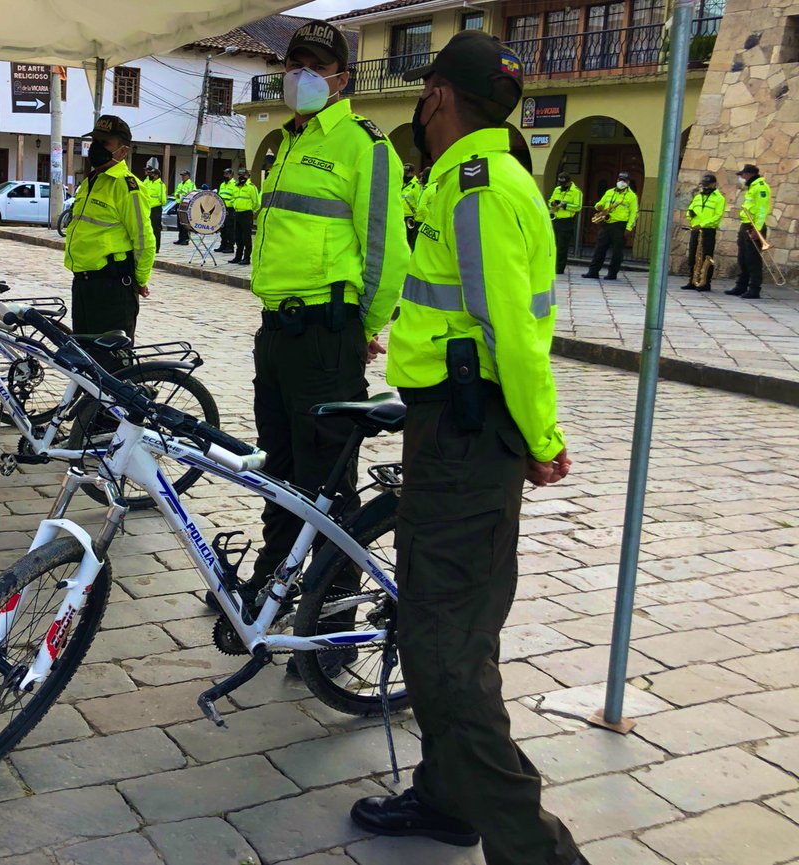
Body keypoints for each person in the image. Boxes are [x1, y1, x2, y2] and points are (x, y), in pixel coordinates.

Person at [354, 31, 587, 865]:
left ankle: (538, 851)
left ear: (440, 97)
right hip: (455, 430)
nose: (420, 107)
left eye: (424, 94)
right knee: (447, 630)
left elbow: (511, 335)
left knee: (446, 654)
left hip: (466, 434)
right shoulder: (476, 178)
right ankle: (448, 797)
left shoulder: (478, 187)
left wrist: (541, 437)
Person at [238, 20, 407, 646]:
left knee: (328, 483)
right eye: (294, 63)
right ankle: (273, 586)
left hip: (325, 336)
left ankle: (332, 620)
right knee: (278, 471)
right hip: (277, 334)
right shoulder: (286, 142)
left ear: (342, 78)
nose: (300, 75)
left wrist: (360, 329)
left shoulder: (365, 146)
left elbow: (387, 253)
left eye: (315, 65)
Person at [63, 114, 154, 341]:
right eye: (95, 141)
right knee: (84, 355)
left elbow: (144, 239)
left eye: (104, 143)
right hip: (83, 284)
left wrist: (140, 280)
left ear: (122, 151)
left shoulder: (127, 186)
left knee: (110, 358)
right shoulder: (91, 181)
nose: (96, 147)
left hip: (112, 288)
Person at [582, 170, 638, 280]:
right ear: (617, 180)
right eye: (620, 179)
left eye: (624, 180)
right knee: (599, 248)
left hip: (620, 225)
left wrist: (629, 228)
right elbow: (600, 203)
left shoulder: (632, 196)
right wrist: (598, 206)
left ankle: (612, 274)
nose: (622, 182)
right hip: (607, 223)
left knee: (617, 251)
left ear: (628, 182)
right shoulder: (609, 192)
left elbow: (634, 213)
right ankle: (593, 271)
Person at [728, 163, 772, 299]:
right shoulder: (752, 187)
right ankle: (741, 286)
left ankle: (754, 289)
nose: (742, 178)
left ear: (749, 174)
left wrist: (757, 229)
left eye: (743, 175)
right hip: (746, 224)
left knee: (753, 259)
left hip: (754, 226)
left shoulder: (760, 187)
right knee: (743, 258)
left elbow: (762, 210)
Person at [681, 172, 725, 292]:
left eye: (707, 184)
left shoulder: (719, 198)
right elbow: (689, 211)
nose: (705, 187)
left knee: (706, 257)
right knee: (693, 256)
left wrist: (702, 225)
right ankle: (692, 280)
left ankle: (705, 283)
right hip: (696, 229)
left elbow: (717, 216)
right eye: (703, 184)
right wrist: (692, 220)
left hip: (708, 230)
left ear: (714, 184)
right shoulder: (698, 197)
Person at [547, 172, 582, 275]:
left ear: (569, 182)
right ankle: (550, 266)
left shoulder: (576, 192)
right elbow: (550, 201)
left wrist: (565, 206)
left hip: (566, 221)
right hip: (555, 219)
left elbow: (578, 207)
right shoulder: (557, 189)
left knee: (562, 246)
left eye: (563, 183)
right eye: (560, 183)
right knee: (552, 244)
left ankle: (559, 268)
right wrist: (552, 203)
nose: (561, 185)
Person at [229, 168, 259, 266]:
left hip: (246, 214)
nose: (241, 177)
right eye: (239, 175)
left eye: (243, 175)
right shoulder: (236, 187)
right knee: (238, 237)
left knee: (246, 237)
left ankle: (246, 258)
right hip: (237, 213)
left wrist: (251, 211)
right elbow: (233, 199)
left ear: (248, 176)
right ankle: (238, 256)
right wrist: (235, 205)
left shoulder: (251, 187)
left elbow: (256, 203)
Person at [142, 165, 167, 253]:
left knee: (155, 229)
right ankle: (149, 246)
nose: (150, 175)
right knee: (147, 228)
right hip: (147, 208)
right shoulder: (149, 183)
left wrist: (155, 201)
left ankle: (156, 248)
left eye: (152, 174)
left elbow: (163, 200)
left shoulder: (160, 185)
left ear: (156, 175)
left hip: (156, 209)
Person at [401, 162, 422, 248]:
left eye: (407, 173)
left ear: (413, 173)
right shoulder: (402, 183)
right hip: (400, 216)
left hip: (410, 218)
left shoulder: (416, 185)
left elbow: (419, 202)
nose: (405, 175)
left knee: (408, 242)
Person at [217, 167, 236, 253]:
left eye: (227, 174)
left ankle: (230, 246)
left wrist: (229, 204)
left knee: (230, 228)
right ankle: (223, 245)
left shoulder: (234, 184)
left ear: (231, 175)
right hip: (222, 208)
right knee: (223, 228)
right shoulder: (222, 184)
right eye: (224, 174)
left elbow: (235, 197)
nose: (225, 175)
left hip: (230, 209)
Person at [173, 170, 195, 244]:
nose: (182, 177)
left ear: (188, 176)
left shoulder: (191, 184)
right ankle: (180, 238)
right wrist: (178, 195)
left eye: (184, 175)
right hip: (179, 204)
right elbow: (176, 193)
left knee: (185, 223)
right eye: (182, 175)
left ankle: (186, 239)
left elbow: (191, 194)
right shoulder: (180, 184)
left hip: (186, 205)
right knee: (180, 223)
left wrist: (181, 195)